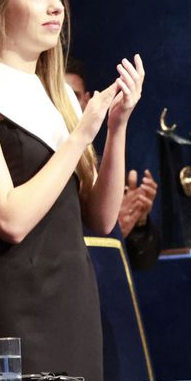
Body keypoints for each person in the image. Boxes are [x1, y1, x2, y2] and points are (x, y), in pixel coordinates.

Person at [0, 0, 144, 381]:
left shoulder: (57, 95)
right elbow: (10, 219)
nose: (55, 6)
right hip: (13, 302)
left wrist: (116, 128)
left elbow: (102, 216)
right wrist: (79, 137)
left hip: (72, 298)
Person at [66, 58, 160, 270]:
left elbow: (143, 263)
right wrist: (115, 229)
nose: (66, 105)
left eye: (73, 96)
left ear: (88, 100)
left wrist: (139, 221)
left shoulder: (107, 166)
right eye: (59, 96)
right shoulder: (37, 161)